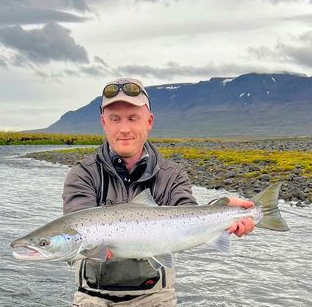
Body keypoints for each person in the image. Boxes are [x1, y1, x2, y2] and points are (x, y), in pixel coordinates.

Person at [62, 78, 255, 307]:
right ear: (104, 123)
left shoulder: (171, 175)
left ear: (149, 121)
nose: (124, 129)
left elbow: (188, 214)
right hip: (91, 297)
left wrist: (221, 208)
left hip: (155, 297)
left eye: (133, 118)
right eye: (115, 119)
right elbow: (76, 225)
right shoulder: (83, 173)